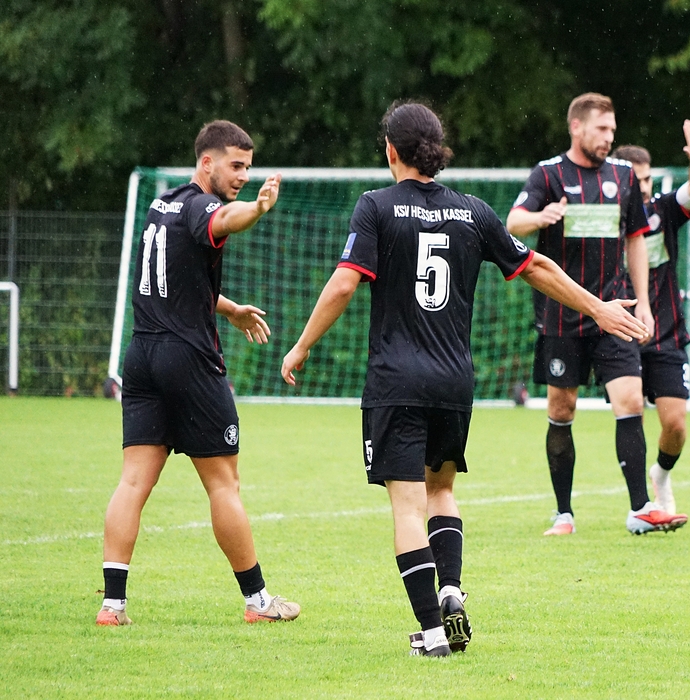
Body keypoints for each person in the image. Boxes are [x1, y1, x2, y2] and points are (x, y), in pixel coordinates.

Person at [280, 101, 647, 656]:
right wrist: (597, 307)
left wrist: (303, 345)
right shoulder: (472, 211)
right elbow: (536, 266)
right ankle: (450, 587)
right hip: (453, 383)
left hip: (396, 382)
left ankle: (432, 632)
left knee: (407, 506)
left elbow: (345, 282)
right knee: (442, 490)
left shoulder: (375, 206)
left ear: (391, 151)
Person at [97, 120, 300, 626]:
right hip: (188, 360)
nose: (243, 176)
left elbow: (174, 281)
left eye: (248, 168)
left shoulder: (160, 204)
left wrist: (227, 308)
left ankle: (112, 605)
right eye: (236, 166)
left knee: (132, 482)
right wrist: (257, 209)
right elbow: (225, 218)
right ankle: (258, 602)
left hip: (142, 356)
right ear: (207, 162)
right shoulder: (201, 206)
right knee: (223, 484)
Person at [506, 93, 684, 536]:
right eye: (602, 129)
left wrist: (643, 302)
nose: (609, 137)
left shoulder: (623, 176)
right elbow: (512, 222)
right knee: (561, 408)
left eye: (612, 130)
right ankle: (564, 514)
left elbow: (636, 239)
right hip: (562, 316)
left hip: (615, 310)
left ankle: (640, 509)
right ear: (577, 127)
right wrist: (541, 216)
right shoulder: (549, 174)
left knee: (630, 401)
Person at [611, 120, 690, 524]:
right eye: (636, 181)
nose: (644, 187)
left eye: (648, 179)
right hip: (622, 331)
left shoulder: (663, 210)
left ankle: (661, 475)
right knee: (632, 408)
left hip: (666, 332)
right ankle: (640, 506)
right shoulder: (606, 220)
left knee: (676, 425)